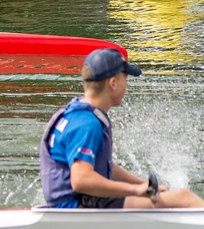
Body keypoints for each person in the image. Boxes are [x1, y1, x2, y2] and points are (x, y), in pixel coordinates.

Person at [39, 48, 204, 209]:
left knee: (176, 197)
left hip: (75, 202)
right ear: (113, 83)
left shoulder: (77, 112)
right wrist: (135, 190)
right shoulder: (87, 124)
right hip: (77, 207)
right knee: (184, 197)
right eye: (125, 79)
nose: (127, 86)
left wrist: (144, 185)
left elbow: (104, 164)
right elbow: (81, 180)